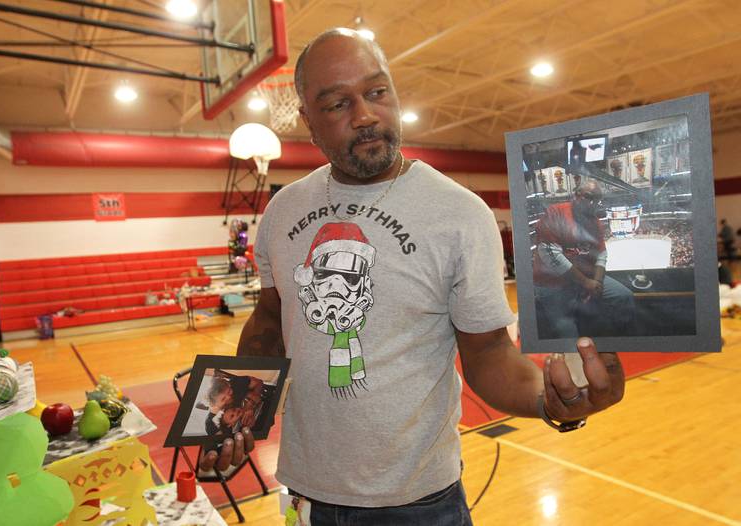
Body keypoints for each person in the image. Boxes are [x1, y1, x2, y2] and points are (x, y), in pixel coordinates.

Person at [200, 28, 625, 525]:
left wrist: (553, 402)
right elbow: (269, 322)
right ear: (307, 123)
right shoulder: (283, 210)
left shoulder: (460, 214)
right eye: (337, 104)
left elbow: (488, 353)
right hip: (306, 493)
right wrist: (227, 420)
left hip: (419, 504)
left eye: (377, 92)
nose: (364, 116)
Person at [533, 181, 635, 338]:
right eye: (589, 197)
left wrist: (597, 283)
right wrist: (587, 283)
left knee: (623, 296)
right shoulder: (556, 212)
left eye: (598, 199)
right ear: (576, 195)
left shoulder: (595, 222)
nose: (594, 203)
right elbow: (550, 253)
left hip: (585, 277)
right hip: (552, 282)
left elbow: (601, 254)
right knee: (565, 328)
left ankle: (618, 342)